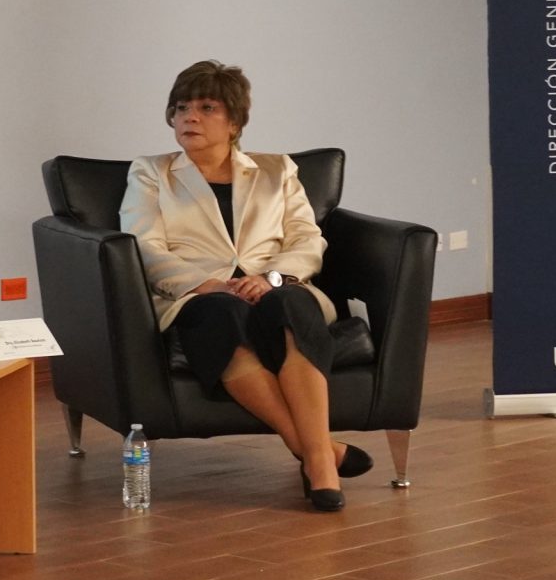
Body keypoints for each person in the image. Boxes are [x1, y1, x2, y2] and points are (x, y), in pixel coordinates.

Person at [118, 61, 372, 512]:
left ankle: (315, 456)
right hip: (197, 296)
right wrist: (206, 284)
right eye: (181, 108)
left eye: (206, 107)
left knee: (291, 305)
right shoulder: (152, 172)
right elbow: (143, 244)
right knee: (222, 314)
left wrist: (271, 278)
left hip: (276, 285)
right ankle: (318, 454)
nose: (190, 117)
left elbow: (306, 238)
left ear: (234, 122)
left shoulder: (277, 170)